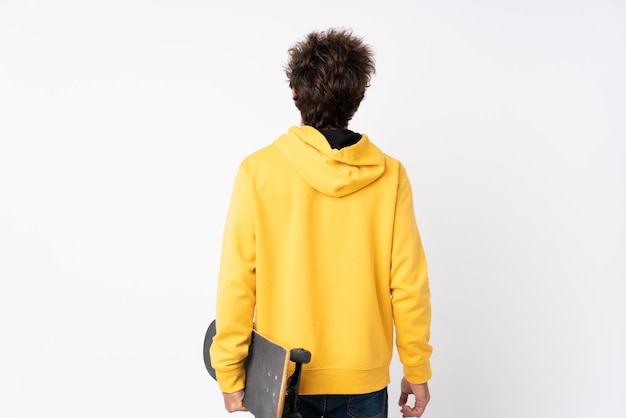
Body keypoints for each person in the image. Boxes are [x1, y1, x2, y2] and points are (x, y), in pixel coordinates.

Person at [210, 28, 432, 418]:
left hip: (283, 380)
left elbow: (237, 282)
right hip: (361, 382)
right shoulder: (389, 175)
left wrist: (229, 371)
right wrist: (416, 367)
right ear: (357, 98)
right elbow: (409, 284)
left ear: (295, 92)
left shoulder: (258, 172)